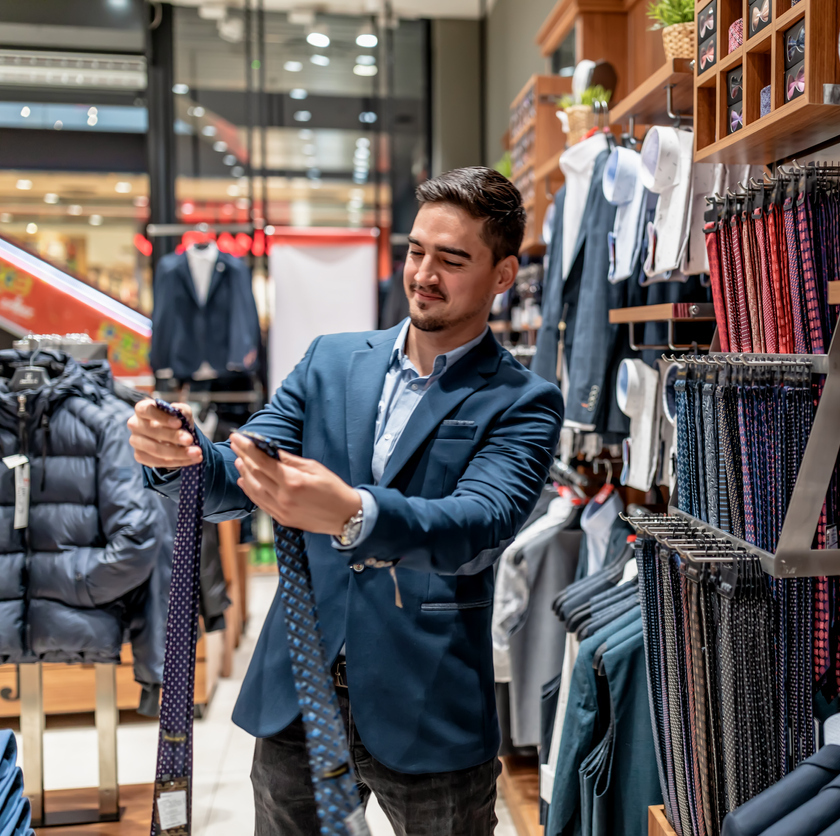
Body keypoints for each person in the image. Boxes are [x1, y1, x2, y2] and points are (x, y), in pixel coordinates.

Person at [127, 167, 564, 836]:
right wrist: (180, 450)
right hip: (299, 693)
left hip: (429, 702)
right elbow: (245, 466)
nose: (423, 274)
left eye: (452, 260)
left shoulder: (522, 400)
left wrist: (355, 514)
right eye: (417, 251)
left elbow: (478, 524)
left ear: (503, 275)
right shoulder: (330, 361)